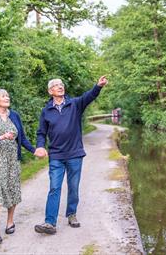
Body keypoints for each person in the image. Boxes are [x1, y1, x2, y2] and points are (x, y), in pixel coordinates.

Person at [34, 76, 108, 235]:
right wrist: (40, 146)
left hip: (74, 154)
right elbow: (41, 132)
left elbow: (89, 96)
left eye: (61, 84)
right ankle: (49, 222)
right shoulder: (46, 111)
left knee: (73, 187)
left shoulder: (74, 104)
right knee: (54, 187)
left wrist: (98, 86)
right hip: (56, 155)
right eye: (56, 85)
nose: (60, 87)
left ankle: (71, 214)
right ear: (50, 91)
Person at [0, 89, 38, 244]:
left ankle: (10, 222)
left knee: (12, 190)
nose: (7, 98)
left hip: (13, 161)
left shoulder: (15, 116)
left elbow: (23, 139)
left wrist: (34, 150)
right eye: (3, 96)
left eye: (7, 96)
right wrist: (1, 137)